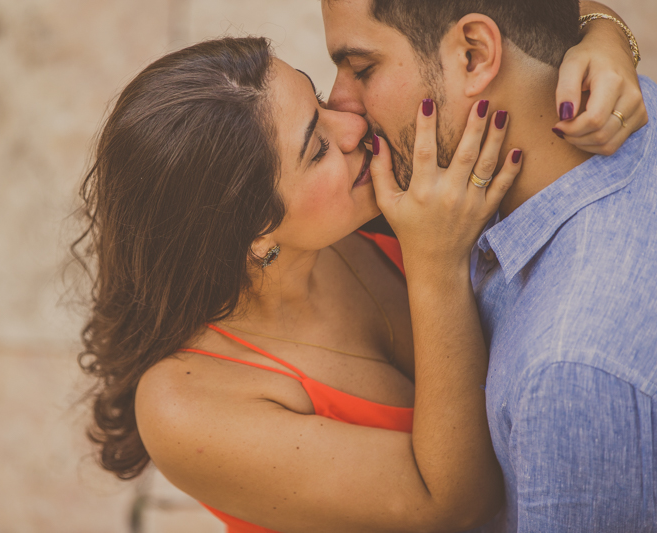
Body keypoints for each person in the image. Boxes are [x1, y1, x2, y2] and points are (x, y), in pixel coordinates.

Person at [74, 18, 644, 533]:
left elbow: (487, 24)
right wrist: (436, 265)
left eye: (319, 99)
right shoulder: (185, 406)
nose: (352, 122)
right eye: (317, 148)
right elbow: (455, 504)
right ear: (254, 232)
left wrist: (604, 35)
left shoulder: (358, 202)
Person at [321, 0, 655, 531]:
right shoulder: (624, 101)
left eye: (362, 68)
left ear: (474, 56)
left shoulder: (566, 374)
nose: (340, 104)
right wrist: (606, 27)